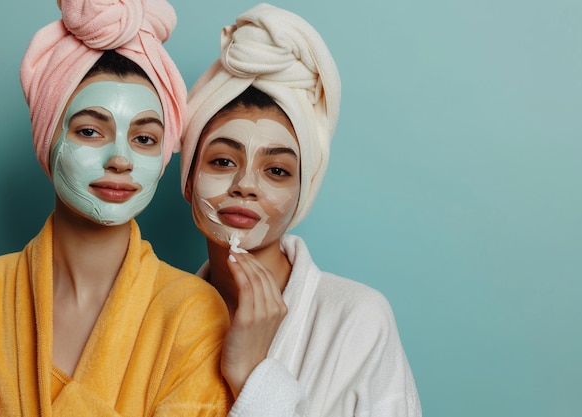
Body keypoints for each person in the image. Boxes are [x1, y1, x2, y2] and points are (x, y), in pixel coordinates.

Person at [0, 0, 230, 415]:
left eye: (144, 139)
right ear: (47, 139)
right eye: (90, 130)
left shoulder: (192, 313)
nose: (120, 159)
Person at [180, 3, 422, 416]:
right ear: (188, 175)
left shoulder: (359, 320)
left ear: (301, 193)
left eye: (276, 170)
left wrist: (252, 376)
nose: (246, 185)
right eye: (222, 161)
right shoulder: (162, 312)